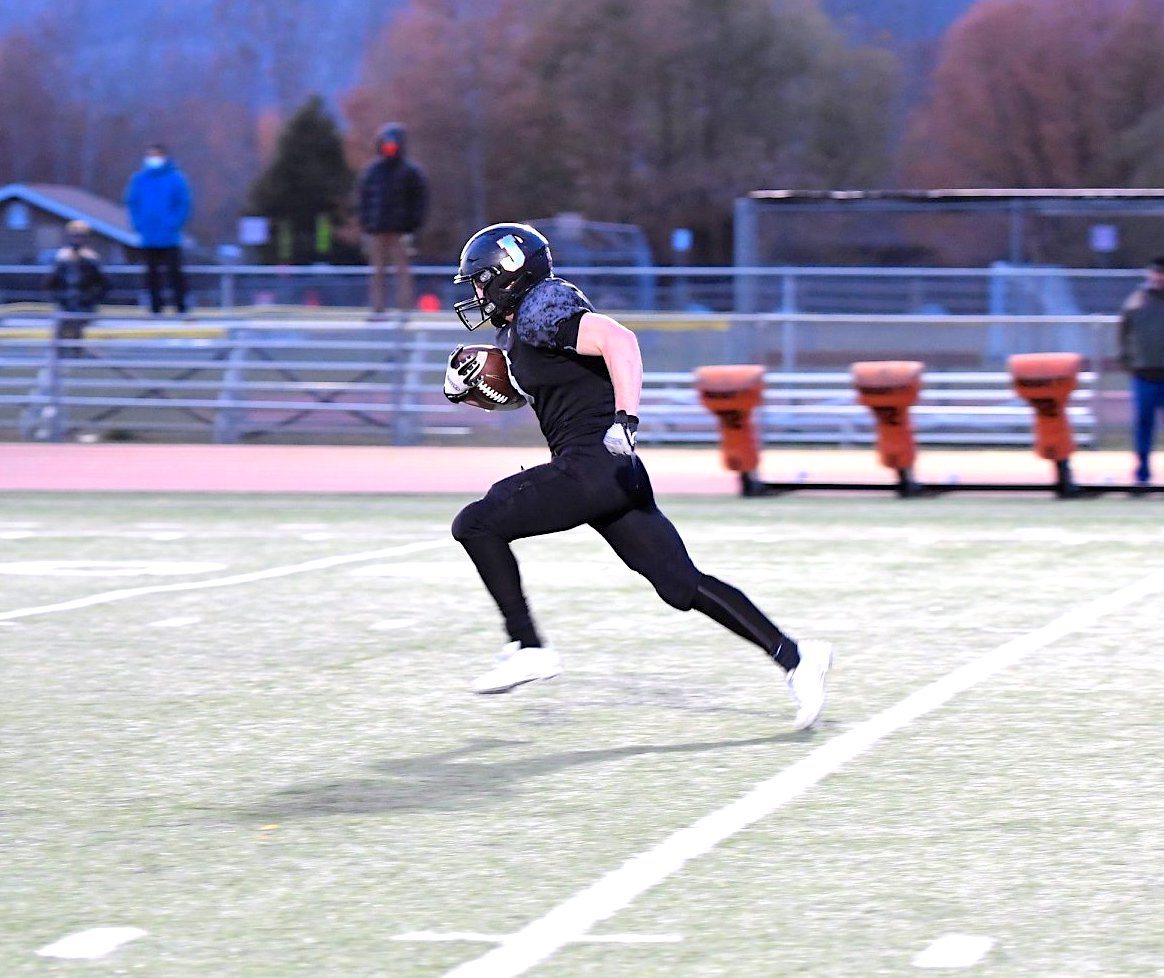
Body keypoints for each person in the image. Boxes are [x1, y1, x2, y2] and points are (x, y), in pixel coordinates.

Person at [443, 223, 832, 729]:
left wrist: (626, 419)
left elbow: (618, 341)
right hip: (610, 475)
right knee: (681, 585)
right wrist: (481, 389)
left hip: (593, 464)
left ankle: (528, 644)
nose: (476, 292)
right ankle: (797, 658)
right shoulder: (519, 331)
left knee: (475, 523)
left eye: (481, 280)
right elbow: (554, 387)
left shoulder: (543, 306)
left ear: (510, 275)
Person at [357, 123, 428, 317]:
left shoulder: (411, 172)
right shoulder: (372, 172)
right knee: (377, 272)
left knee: (403, 272)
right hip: (377, 230)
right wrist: (366, 225)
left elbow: (419, 202)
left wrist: (413, 226)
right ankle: (377, 310)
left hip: (401, 230)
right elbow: (363, 200)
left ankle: (405, 310)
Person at [124, 143, 192, 315]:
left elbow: (183, 203)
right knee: (151, 274)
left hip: (170, 236)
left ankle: (181, 305)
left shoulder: (176, 178)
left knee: (174, 272)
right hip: (148, 236)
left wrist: (174, 223)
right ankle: (155, 307)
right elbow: (132, 202)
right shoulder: (139, 179)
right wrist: (138, 224)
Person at [1118, 255, 1164, 489]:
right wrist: (1128, 360)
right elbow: (1123, 335)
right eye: (1155, 273)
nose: (1158, 278)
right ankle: (1142, 475)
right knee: (1143, 425)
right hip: (1144, 374)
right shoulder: (1136, 303)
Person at [44, 220, 110, 356]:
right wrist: (60, 298)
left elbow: (104, 284)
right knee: (60, 331)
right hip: (65, 305)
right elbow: (50, 283)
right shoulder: (61, 258)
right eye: (74, 235)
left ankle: (78, 355)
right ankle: (58, 359)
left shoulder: (91, 259)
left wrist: (91, 299)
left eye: (80, 236)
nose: (77, 239)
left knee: (76, 328)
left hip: (85, 306)